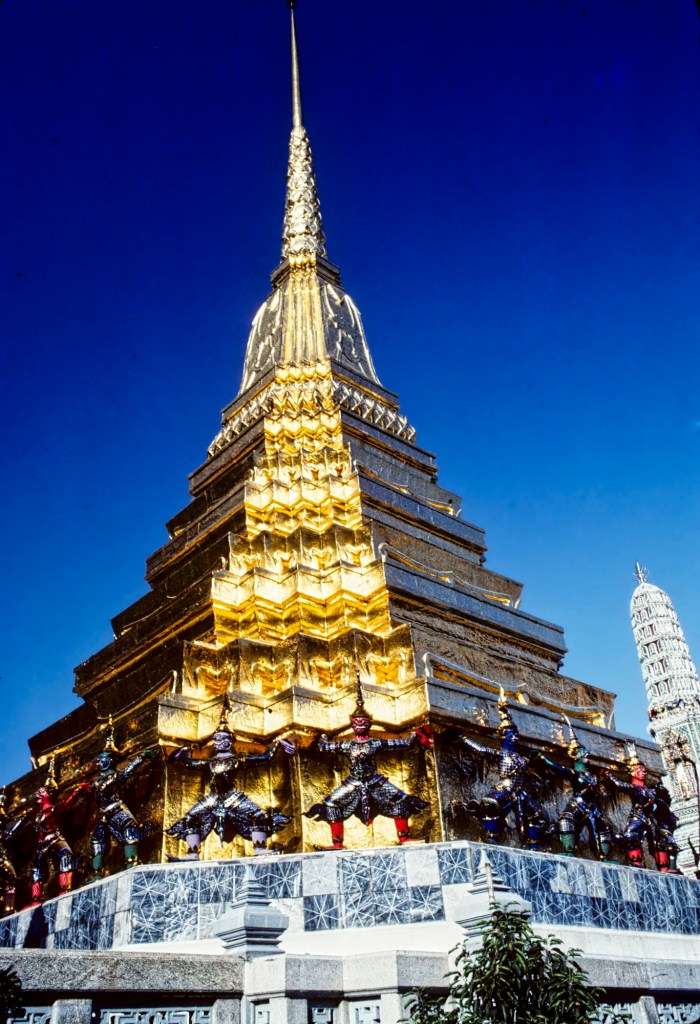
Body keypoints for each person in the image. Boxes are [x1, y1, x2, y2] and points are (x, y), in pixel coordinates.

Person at [304, 677, 431, 849]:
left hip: (374, 780)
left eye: (363, 722)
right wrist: (322, 735)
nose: (360, 725)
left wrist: (416, 734)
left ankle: (404, 837)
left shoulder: (376, 743)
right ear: (352, 724)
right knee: (330, 803)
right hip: (353, 781)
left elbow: (403, 744)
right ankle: (337, 843)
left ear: (369, 724)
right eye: (357, 722)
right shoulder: (347, 745)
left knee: (400, 800)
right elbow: (324, 747)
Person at [166, 703, 294, 857]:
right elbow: (189, 762)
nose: (218, 741)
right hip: (213, 798)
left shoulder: (237, 760)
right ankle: (192, 853)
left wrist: (277, 743)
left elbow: (264, 757)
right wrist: (181, 752)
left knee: (259, 816)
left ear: (229, 741)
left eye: (222, 738)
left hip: (232, 797)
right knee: (191, 818)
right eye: (216, 739)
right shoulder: (209, 763)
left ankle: (259, 849)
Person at [457, 695, 548, 849]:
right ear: (503, 736)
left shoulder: (520, 757)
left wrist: (538, 756)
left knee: (536, 815)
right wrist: (464, 739)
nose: (515, 737)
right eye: (511, 734)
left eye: (516, 734)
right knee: (490, 804)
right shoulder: (502, 754)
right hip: (505, 788)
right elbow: (482, 750)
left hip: (519, 792)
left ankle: (534, 843)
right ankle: (490, 835)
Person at [537, 718, 614, 860]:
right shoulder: (574, 773)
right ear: (576, 755)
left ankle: (604, 855)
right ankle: (569, 849)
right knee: (566, 821)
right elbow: (558, 768)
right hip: (578, 804)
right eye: (583, 752)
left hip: (592, 807)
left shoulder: (592, 776)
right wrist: (542, 758)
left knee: (603, 829)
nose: (586, 754)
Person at [607, 748, 681, 872]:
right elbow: (620, 784)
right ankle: (636, 863)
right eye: (639, 769)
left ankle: (665, 868)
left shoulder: (651, 791)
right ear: (632, 772)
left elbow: (661, 804)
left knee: (662, 840)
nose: (643, 772)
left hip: (651, 818)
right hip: (639, 815)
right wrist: (608, 775)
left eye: (643, 769)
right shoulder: (634, 788)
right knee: (630, 835)